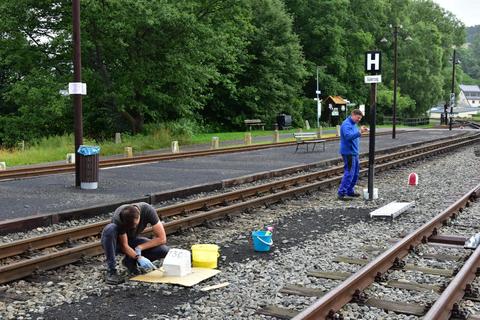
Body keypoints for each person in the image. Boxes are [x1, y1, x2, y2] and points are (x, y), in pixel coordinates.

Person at [101, 202, 170, 284]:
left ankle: (129, 261)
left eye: (134, 225)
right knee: (110, 229)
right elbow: (124, 245)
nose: (132, 228)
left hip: (133, 240)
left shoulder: (147, 210)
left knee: (163, 250)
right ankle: (111, 271)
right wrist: (139, 257)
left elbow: (162, 239)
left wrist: (139, 248)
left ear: (139, 216)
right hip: (116, 244)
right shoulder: (120, 216)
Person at [337, 109, 369, 200]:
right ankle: (341, 193)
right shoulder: (346, 124)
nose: (359, 120)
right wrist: (360, 132)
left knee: (355, 173)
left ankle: (349, 191)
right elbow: (348, 136)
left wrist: (359, 130)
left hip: (354, 152)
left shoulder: (353, 124)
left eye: (360, 119)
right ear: (353, 115)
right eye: (358, 118)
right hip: (348, 152)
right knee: (349, 172)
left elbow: (354, 134)